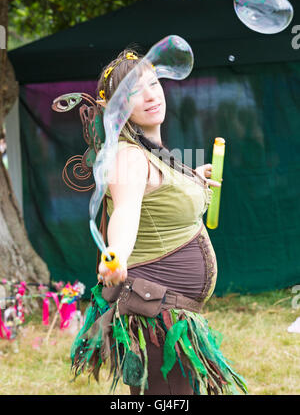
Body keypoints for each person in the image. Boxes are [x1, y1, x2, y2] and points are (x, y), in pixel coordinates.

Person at [70, 49, 247, 396]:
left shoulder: (149, 152)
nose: (152, 94)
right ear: (118, 109)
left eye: (154, 82)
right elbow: (126, 211)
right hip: (156, 312)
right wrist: (116, 255)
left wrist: (191, 178)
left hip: (169, 310)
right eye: (135, 91)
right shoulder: (129, 156)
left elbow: (151, 192)